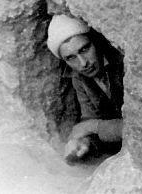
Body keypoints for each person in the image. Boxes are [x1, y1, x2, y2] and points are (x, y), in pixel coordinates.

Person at [47, 14, 124, 163]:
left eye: (84, 49)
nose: (83, 63)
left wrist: (92, 127)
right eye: (71, 57)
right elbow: (90, 116)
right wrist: (85, 142)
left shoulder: (122, 65)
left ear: (95, 42)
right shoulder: (79, 77)